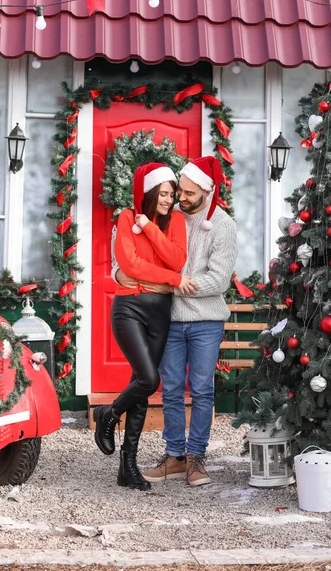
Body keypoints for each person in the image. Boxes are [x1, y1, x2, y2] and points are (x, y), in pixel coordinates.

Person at [115, 156, 237, 488]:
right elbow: (138, 253)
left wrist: (169, 286)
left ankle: (196, 456)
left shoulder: (223, 226)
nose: (179, 198)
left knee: (200, 389)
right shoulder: (174, 217)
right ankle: (175, 455)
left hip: (205, 321)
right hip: (168, 318)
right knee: (169, 389)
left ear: (206, 191)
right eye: (178, 191)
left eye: (187, 193)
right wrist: (120, 272)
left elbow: (218, 281)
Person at [93, 162, 192, 491]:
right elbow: (129, 264)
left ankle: (128, 467)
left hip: (160, 312)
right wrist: (172, 279)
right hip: (129, 309)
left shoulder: (174, 220)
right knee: (149, 379)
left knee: (142, 384)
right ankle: (108, 414)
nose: (169, 199)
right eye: (163, 193)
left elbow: (177, 258)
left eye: (172, 194)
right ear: (150, 192)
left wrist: (149, 227)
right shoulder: (124, 217)